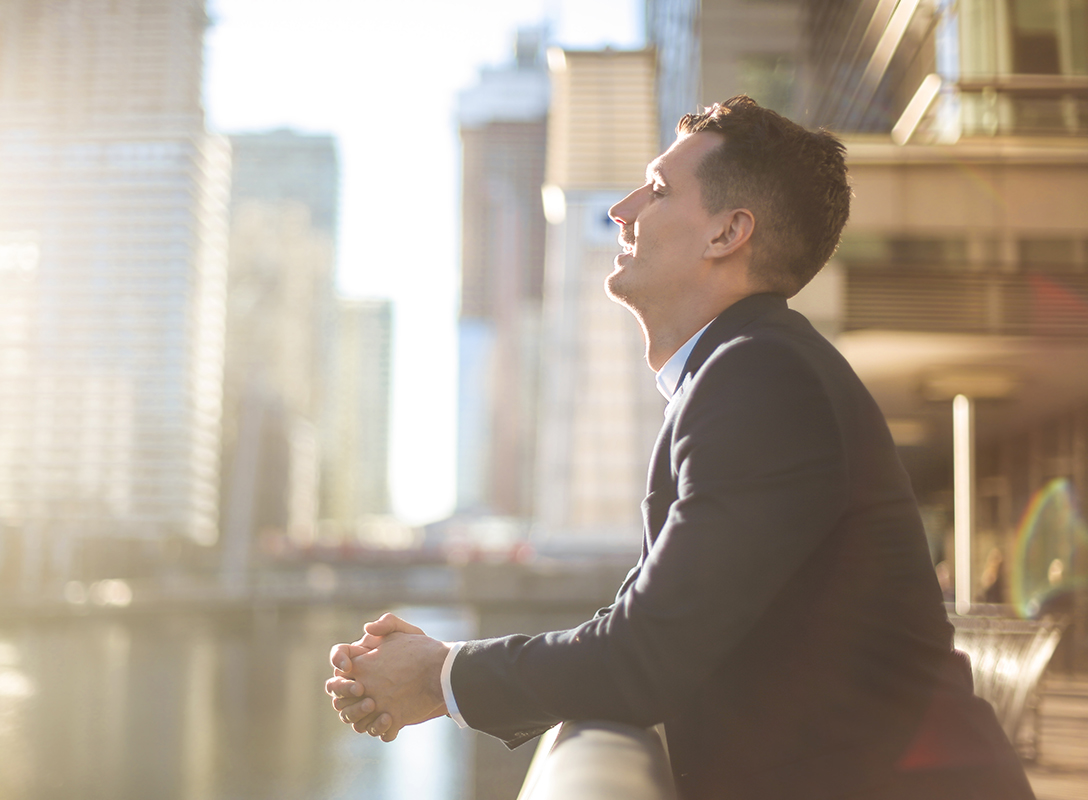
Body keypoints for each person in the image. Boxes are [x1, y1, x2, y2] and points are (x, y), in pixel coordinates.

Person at [324, 96, 1034, 799]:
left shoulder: (760, 377)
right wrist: (441, 670)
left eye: (658, 189)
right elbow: (648, 620)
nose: (622, 209)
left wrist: (437, 674)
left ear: (728, 233)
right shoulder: (745, 371)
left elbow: (647, 656)